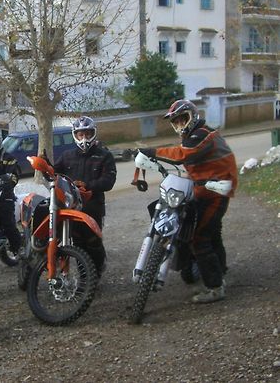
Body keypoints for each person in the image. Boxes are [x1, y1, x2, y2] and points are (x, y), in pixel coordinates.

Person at [138, 99, 238, 303]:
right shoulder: (195, 135)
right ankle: (220, 270)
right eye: (176, 121)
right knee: (212, 233)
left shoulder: (202, 134)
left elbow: (183, 154)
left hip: (215, 191)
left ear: (193, 116)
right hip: (207, 188)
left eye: (183, 119)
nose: (180, 124)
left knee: (199, 237)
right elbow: (188, 160)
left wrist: (153, 152)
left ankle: (215, 287)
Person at [54, 116, 117, 276]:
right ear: (75, 135)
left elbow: (109, 181)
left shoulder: (104, 155)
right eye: (80, 134)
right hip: (72, 206)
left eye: (87, 134)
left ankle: (97, 268)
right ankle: (85, 277)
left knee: (93, 241)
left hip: (93, 205)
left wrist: (88, 185)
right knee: (78, 242)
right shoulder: (67, 155)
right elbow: (54, 172)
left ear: (93, 133)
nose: (84, 138)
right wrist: (45, 164)